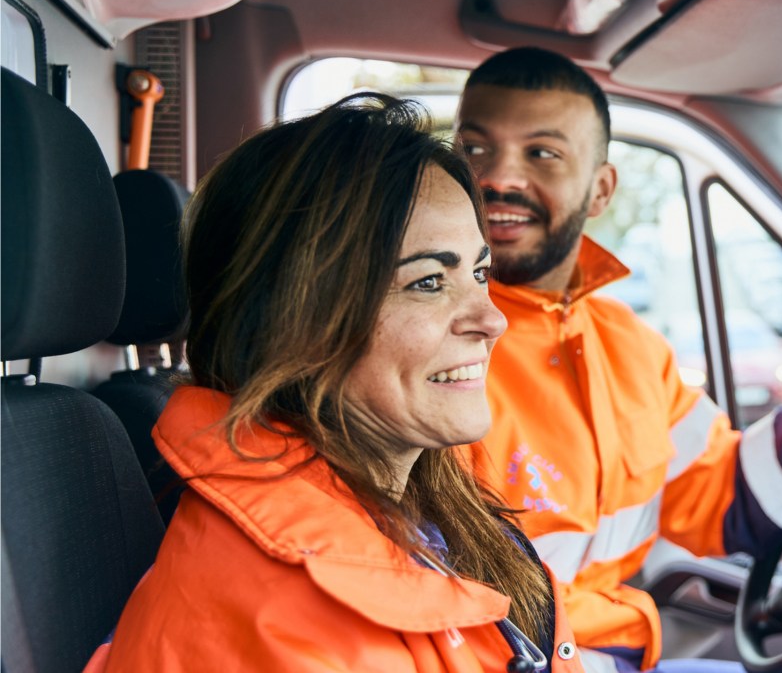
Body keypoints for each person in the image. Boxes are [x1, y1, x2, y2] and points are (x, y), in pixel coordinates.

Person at [456, 47, 782, 673]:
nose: (499, 178)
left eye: (542, 153)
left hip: (604, 649)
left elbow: (720, 493)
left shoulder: (631, 346)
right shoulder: (425, 350)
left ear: (600, 190)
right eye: (475, 150)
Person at [87, 94, 585, 672]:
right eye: (428, 281)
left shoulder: (421, 502)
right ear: (297, 318)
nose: (493, 319)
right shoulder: (284, 623)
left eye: (478, 272)